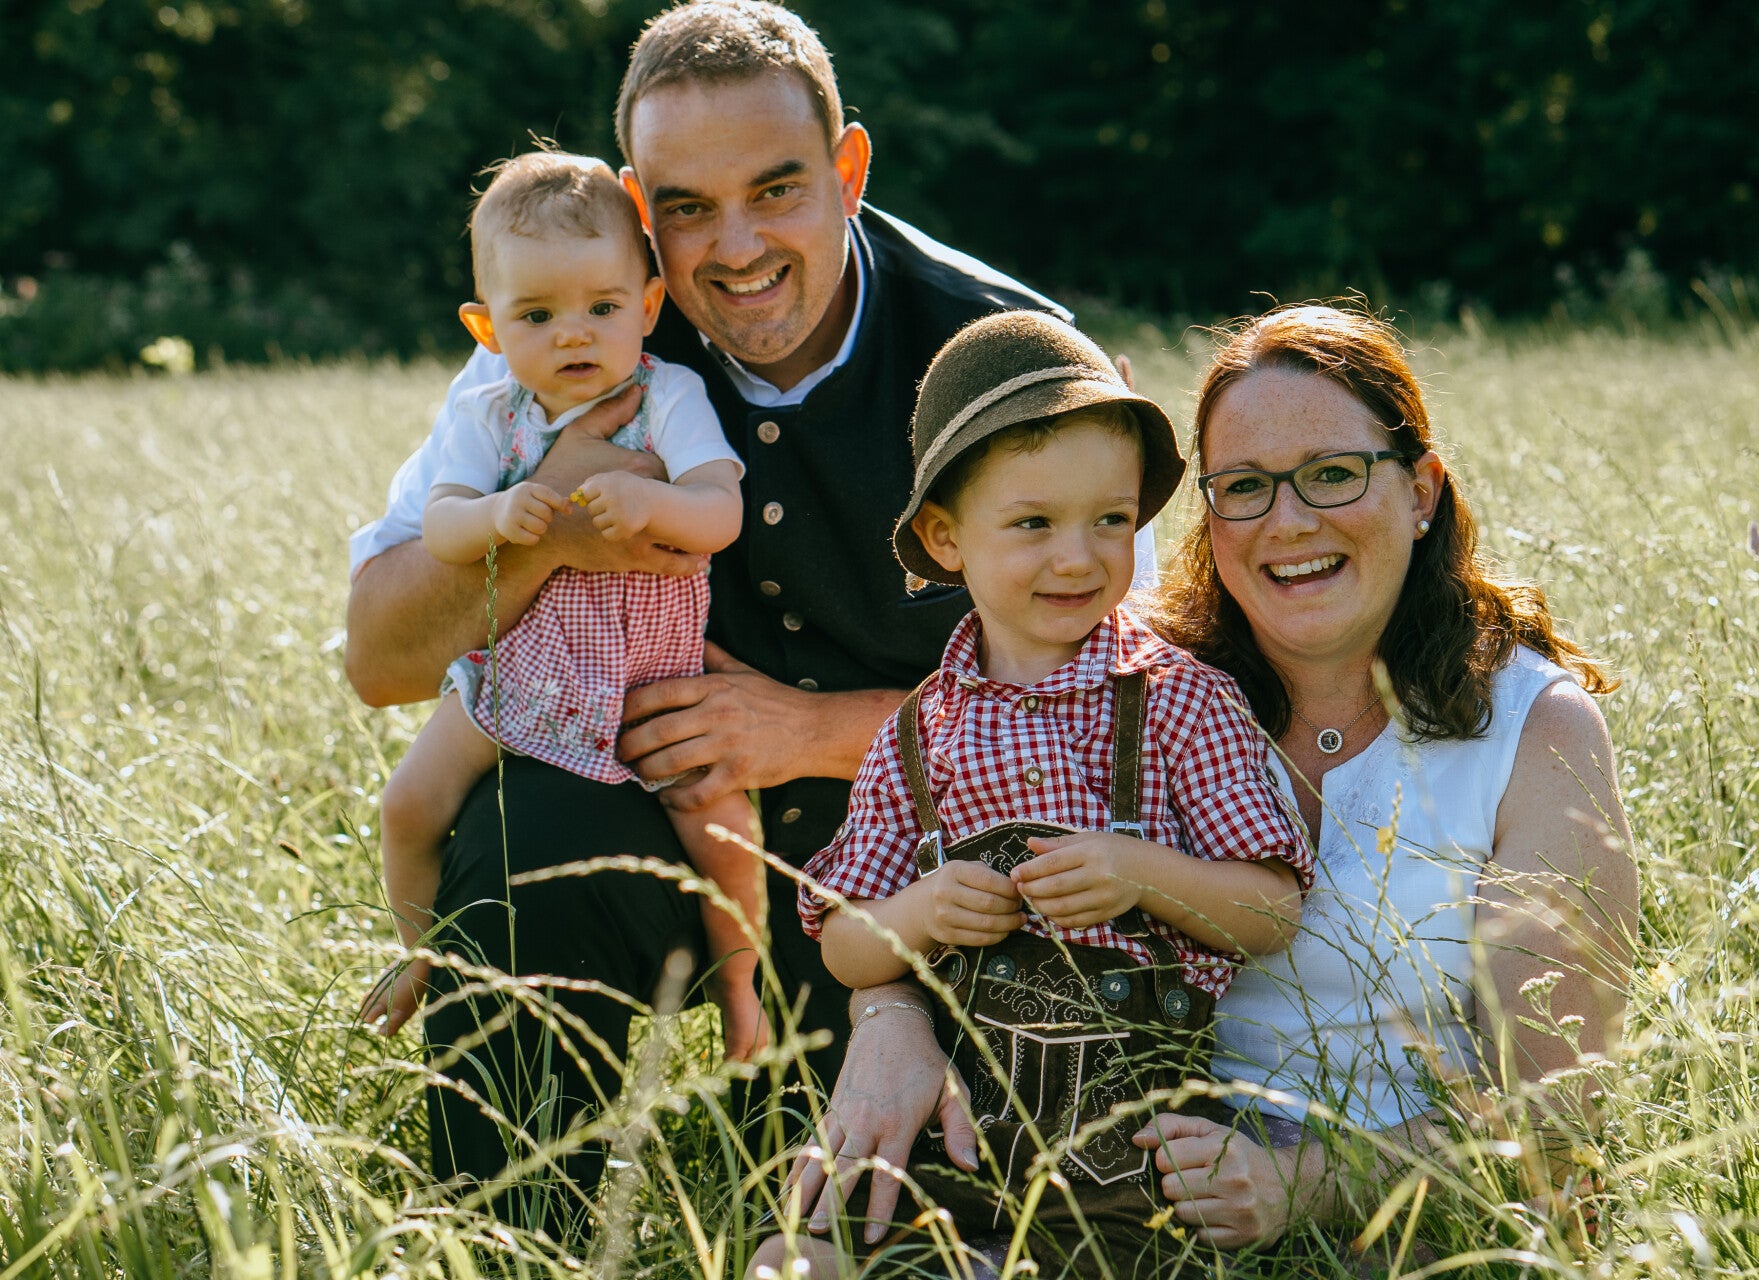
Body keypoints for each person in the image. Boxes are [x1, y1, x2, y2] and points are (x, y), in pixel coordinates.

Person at [342, 0, 1145, 1224]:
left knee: (943, 1222)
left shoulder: (1008, 357)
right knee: (526, 832)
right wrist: (555, 518)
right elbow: (380, 658)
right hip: (665, 834)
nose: (736, 246)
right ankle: (508, 1226)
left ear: (849, 170)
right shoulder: (570, 326)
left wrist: (813, 730)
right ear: (635, 206)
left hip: (943, 866)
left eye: (777, 190)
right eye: (686, 207)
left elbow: (1129, 711)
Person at [785, 304, 1639, 1262]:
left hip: (1385, 1221)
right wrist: (892, 1019)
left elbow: (1554, 1126)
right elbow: (906, 893)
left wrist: (1308, 1183)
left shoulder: (1533, 730)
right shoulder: (1119, 674)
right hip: (1086, 1153)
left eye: (1333, 473)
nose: (1289, 520)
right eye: (1244, 487)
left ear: (1421, 492)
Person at [763, 311, 1312, 1274]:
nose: (1079, 557)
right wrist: (922, 910)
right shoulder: (919, 736)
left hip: (1133, 1159)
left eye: (1111, 520)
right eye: (1033, 524)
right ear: (945, 538)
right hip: (955, 1131)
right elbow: (846, 945)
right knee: (791, 1258)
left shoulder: (1179, 702)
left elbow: (1272, 910)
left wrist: (1140, 873)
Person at [354, 150, 768, 1065]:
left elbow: (721, 511)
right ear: (487, 327)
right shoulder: (490, 413)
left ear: (648, 306)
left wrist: (654, 502)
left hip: (646, 677)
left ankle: (742, 985)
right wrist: (508, 513)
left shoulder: (667, 396)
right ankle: (423, 952)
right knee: (409, 804)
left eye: (602, 309)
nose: (573, 335)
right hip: (519, 673)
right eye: (537, 316)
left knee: (723, 831)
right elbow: (443, 525)